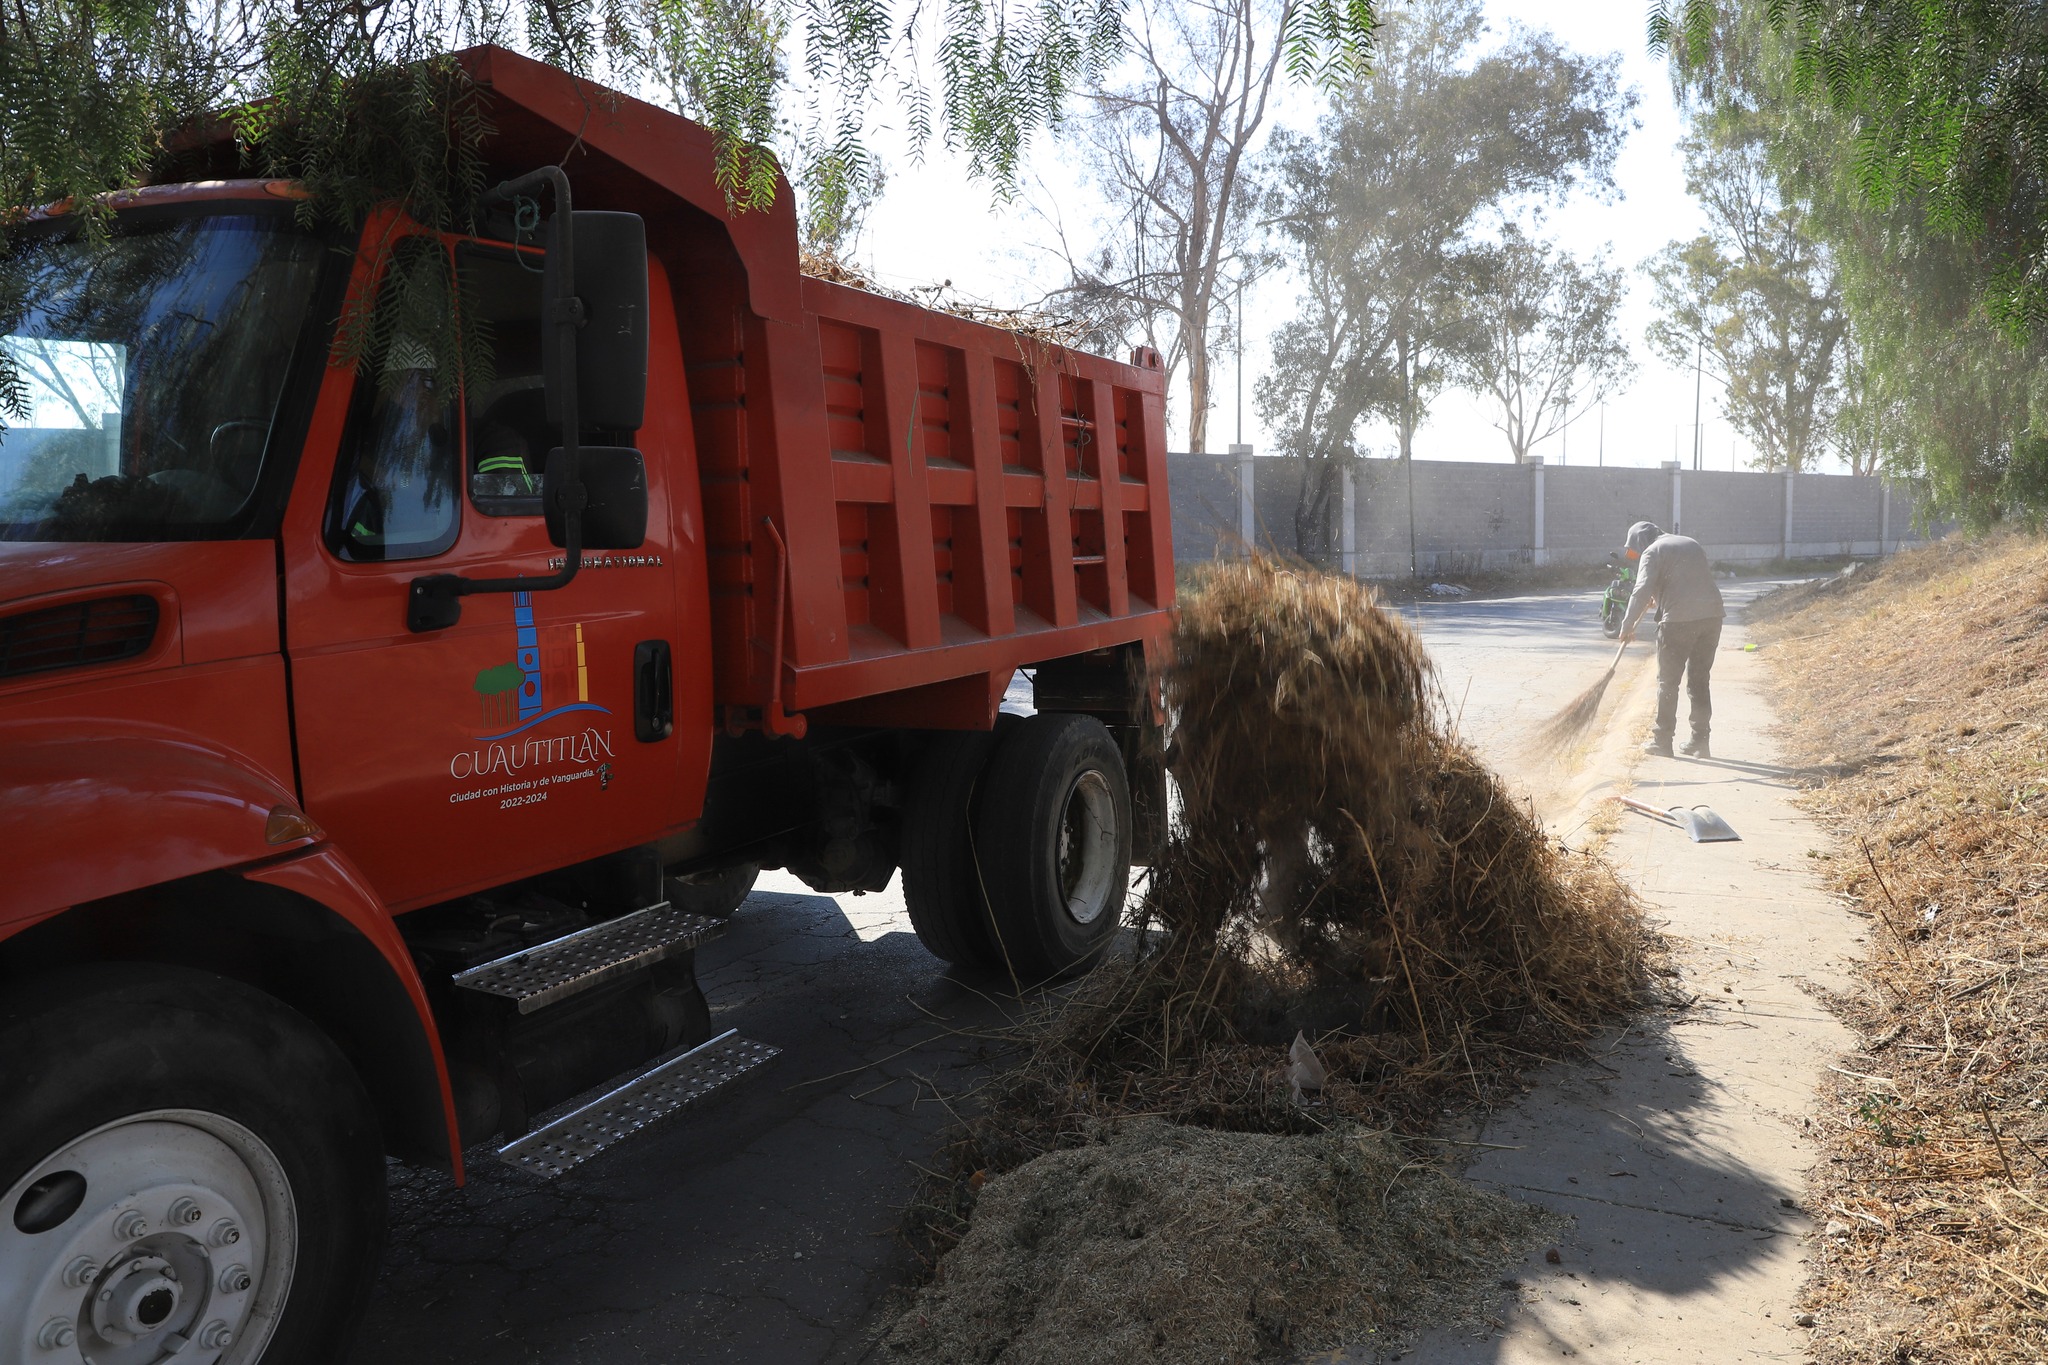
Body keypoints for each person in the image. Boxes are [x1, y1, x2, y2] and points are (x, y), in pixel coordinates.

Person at [1617, 519, 1725, 758]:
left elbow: (1641, 588)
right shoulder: (1690, 542)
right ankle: (1700, 742)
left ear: (1639, 541)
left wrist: (1626, 625)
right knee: (1699, 680)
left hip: (1678, 622)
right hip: (1712, 617)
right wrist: (1661, 597)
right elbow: (1687, 580)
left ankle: (1662, 742)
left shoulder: (1651, 551)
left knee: (1668, 683)